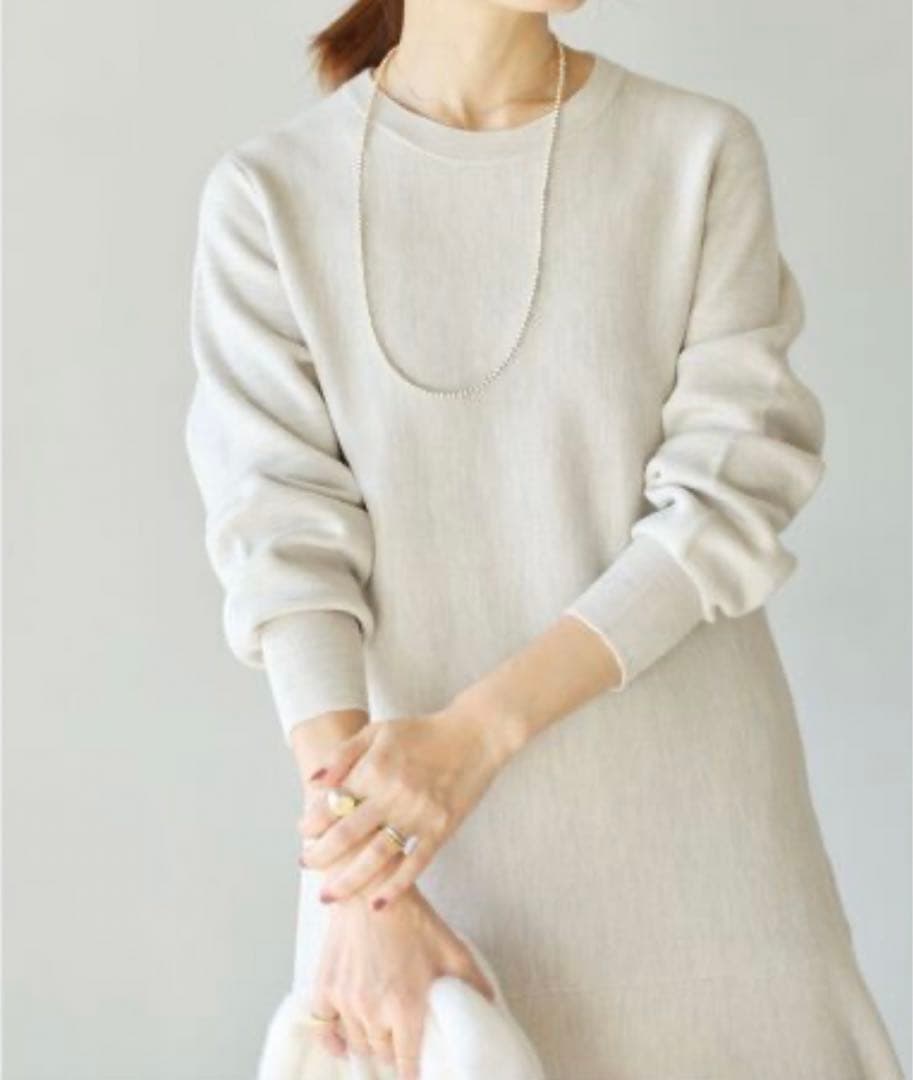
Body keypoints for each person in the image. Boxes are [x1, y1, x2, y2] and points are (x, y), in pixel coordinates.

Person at [184, 4, 905, 1079]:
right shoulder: (271, 197)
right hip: (423, 872)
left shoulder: (693, 154)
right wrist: (361, 886)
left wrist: (472, 740)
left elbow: (726, 493)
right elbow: (284, 547)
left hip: (703, 848)